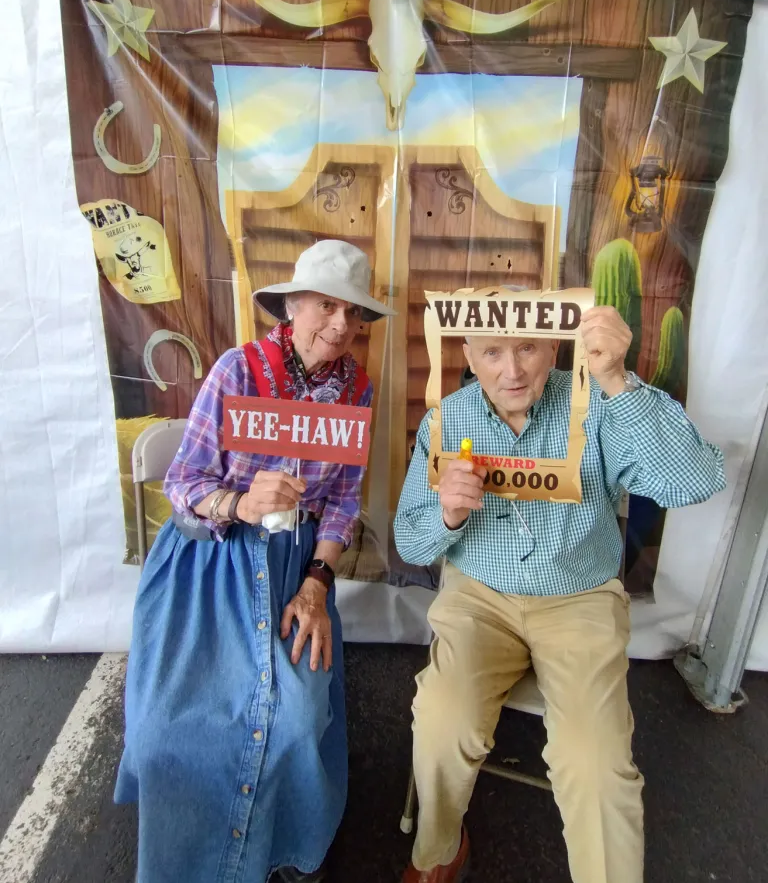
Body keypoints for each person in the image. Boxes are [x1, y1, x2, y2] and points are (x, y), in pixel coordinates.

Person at [394, 304, 726, 883]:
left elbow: (697, 479)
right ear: (468, 357)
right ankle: (439, 848)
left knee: (595, 763)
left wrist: (618, 381)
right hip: (480, 597)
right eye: (492, 352)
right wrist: (445, 516)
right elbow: (411, 543)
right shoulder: (446, 420)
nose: (512, 371)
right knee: (443, 720)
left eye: (527, 348)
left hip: (579, 597)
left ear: (554, 349)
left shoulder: (596, 405)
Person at [115, 240, 395, 883]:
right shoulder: (237, 372)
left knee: (295, 719)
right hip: (209, 565)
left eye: (354, 314)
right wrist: (239, 503)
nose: (341, 326)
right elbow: (183, 484)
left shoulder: (357, 388)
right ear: (292, 305)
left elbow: (343, 505)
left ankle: (283, 850)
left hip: (295, 571)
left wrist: (317, 586)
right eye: (326, 306)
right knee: (167, 730)